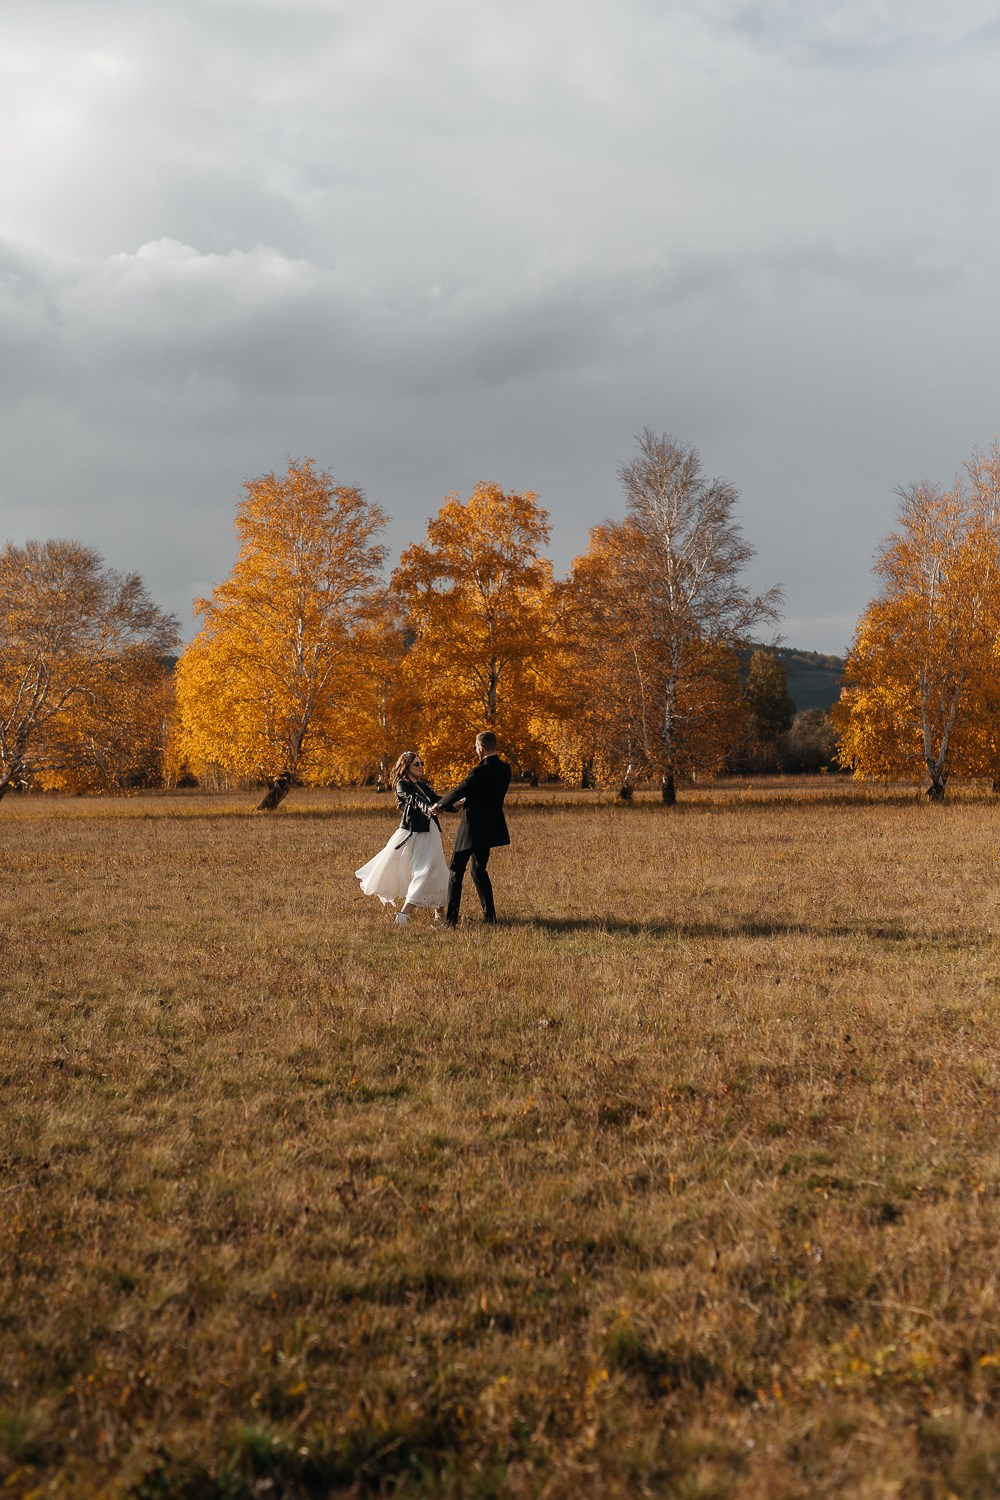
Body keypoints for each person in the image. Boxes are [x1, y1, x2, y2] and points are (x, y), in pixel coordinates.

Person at [355, 751, 449, 927]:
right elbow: (415, 801)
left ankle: (439, 913)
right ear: (406, 766)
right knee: (423, 872)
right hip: (415, 834)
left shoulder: (423, 785)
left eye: (422, 763)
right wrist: (429, 809)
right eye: (416, 764)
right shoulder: (402, 785)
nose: (420, 767)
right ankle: (403, 916)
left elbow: (439, 801)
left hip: (431, 833)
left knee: (440, 871)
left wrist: (458, 802)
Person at [431, 730, 512, 927]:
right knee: (479, 870)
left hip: (471, 827)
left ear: (481, 748)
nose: (475, 750)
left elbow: (461, 788)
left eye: (476, 746)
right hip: (490, 827)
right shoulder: (505, 769)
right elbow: (489, 793)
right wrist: (467, 800)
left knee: (456, 871)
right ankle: (490, 917)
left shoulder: (478, 771)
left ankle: (450, 922)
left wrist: (439, 805)